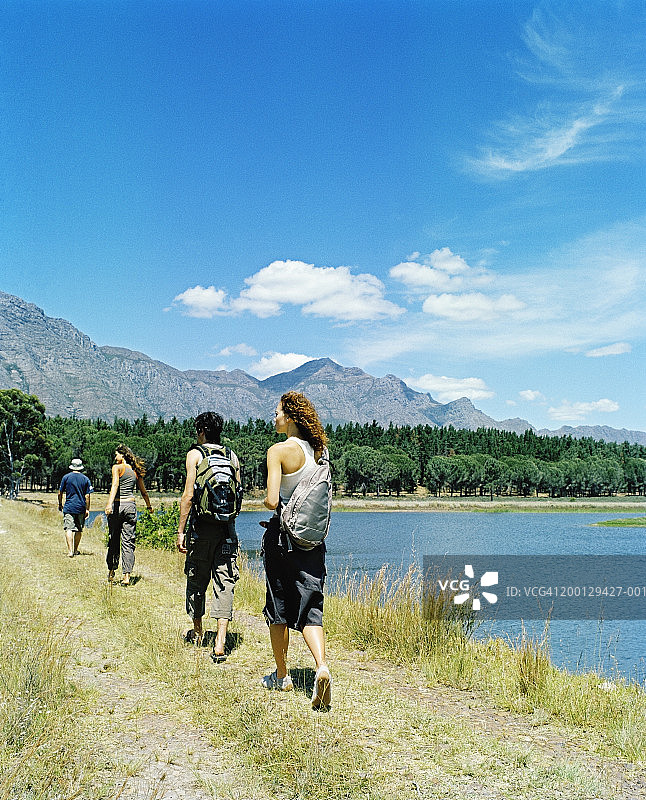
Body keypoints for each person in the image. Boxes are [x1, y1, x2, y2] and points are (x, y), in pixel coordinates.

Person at [261, 390, 332, 710]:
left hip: (282, 540)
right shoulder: (320, 452)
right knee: (311, 610)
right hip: (313, 542)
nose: (273, 417)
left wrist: (265, 501)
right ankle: (321, 667)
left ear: (289, 416)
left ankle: (281, 675)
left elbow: (273, 501)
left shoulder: (278, 451)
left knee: (278, 607)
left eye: (276, 412)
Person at [177, 412, 241, 661]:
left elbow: (188, 497)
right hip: (227, 530)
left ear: (202, 430)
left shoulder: (195, 455)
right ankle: (221, 641)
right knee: (225, 581)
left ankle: (198, 631)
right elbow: (238, 493)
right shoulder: (231, 456)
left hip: (201, 528)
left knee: (196, 578)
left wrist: (181, 531)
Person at [105, 444, 152, 586]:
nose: (115, 457)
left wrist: (109, 504)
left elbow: (114, 485)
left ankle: (112, 571)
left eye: (116, 454)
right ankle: (126, 576)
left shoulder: (117, 468)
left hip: (118, 505)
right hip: (131, 506)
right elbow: (143, 492)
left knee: (114, 539)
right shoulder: (135, 471)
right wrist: (149, 506)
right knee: (128, 541)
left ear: (122, 455)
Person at [58, 458, 92, 557]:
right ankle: (76, 549)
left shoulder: (66, 477)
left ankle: (70, 551)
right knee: (79, 529)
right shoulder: (85, 479)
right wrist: (87, 509)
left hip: (69, 507)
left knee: (68, 528)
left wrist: (60, 503)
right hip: (80, 507)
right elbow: (87, 496)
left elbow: (60, 492)